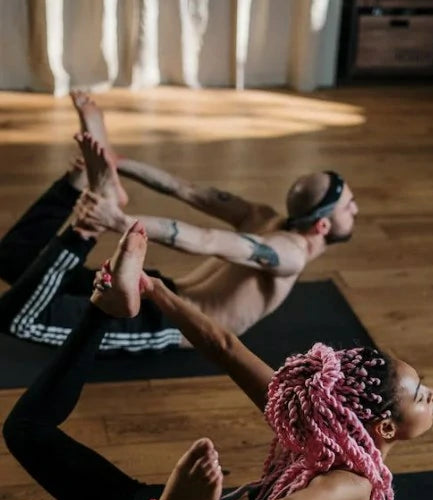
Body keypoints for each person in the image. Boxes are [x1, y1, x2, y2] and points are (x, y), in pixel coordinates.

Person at [3, 222, 432, 500]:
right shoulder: (351, 485)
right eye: (421, 394)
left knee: (25, 432)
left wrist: (153, 289)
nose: (429, 393)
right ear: (384, 428)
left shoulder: (304, 419)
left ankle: (103, 311)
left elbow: (224, 346)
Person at [0, 91, 358, 351]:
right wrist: (118, 216)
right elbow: (203, 238)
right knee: (17, 316)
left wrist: (117, 169)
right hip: (166, 322)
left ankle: (76, 185)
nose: (355, 211)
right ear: (322, 226)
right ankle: (86, 221)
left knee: (14, 263)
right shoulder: (288, 253)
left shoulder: (264, 218)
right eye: (349, 206)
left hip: (158, 291)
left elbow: (182, 189)